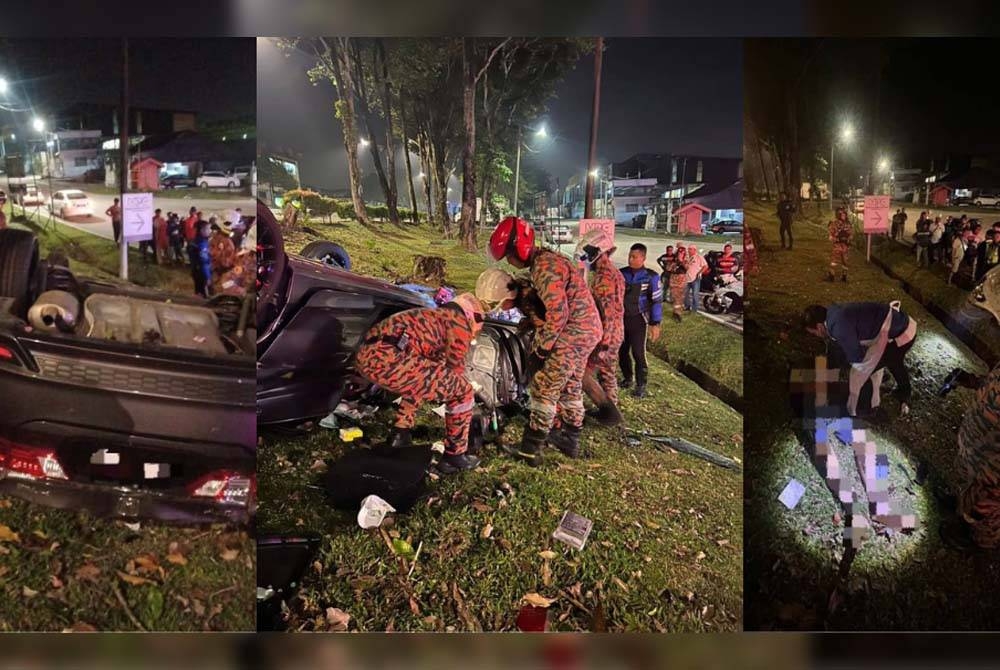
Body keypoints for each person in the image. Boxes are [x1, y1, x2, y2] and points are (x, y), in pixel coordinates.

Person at [488, 216, 603, 464]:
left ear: (519, 248)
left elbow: (558, 315)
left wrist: (541, 350)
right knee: (571, 385)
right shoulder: (547, 260)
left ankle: (530, 449)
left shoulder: (545, 268)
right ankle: (570, 440)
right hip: (587, 330)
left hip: (573, 332)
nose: (509, 260)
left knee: (544, 387)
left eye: (508, 254)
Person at [354, 293, 485, 474]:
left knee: (421, 379)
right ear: (472, 318)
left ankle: (401, 433)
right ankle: (454, 456)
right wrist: (470, 400)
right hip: (390, 360)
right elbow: (455, 373)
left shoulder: (431, 317)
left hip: (366, 357)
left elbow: (425, 378)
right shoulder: (458, 322)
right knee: (463, 392)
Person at [803, 301, 917, 417]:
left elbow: (857, 358)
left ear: (819, 326)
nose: (816, 335)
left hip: (901, 334)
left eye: (814, 333)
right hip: (904, 323)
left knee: (860, 373)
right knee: (893, 360)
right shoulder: (833, 313)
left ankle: (866, 409)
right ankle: (904, 391)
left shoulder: (838, 327)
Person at [576, 230, 625, 423]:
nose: (587, 259)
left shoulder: (603, 278)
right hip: (617, 332)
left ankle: (607, 411)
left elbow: (605, 311)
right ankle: (612, 410)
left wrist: (602, 339)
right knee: (607, 371)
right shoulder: (616, 273)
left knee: (582, 373)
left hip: (606, 332)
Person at [955, 364, 1000, 549]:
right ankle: (962, 508)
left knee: (986, 513)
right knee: (968, 487)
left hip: (992, 469)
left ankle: (976, 541)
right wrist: (973, 381)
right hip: (976, 448)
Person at [618, 243, 663, 399]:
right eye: (630, 256)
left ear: (643, 258)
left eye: (635, 257)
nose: (631, 259)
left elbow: (657, 301)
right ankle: (628, 378)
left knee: (638, 354)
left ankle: (641, 385)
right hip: (621, 320)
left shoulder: (651, 276)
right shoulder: (621, 273)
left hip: (640, 321)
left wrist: (655, 323)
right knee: (622, 352)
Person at [209, 220, 238, 295]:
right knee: (218, 282)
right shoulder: (226, 242)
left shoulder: (216, 239)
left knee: (218, 282)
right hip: (220, 265)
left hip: (220, 265)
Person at [827, 206, 853, 282]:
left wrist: (845, 239)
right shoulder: (845, 224)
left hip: (842, 246)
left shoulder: (837, 224)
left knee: (841, 261)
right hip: (841, 246)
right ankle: (835, 276)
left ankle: (841, 276)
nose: (844, 216)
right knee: (837, 261)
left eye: (844, 214)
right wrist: (840, 239)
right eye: (842, 215)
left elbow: (831, 237)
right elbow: (831, 236)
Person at [188, 223, 212, 298]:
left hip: (196, 270)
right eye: (208, 229)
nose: (210, 231)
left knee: (198, 294)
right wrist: (207, 277)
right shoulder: (202, 243)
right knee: (204, 298)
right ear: (202, 230)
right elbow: (203, 262)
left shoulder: (195, 241)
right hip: (201, 273)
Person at [684, 244, 707, 313]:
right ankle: (687, 306)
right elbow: (686, 267)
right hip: (687, 278)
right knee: (685, 294)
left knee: (695, 294)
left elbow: (705, 266)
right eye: (688, 249)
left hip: (695, 278)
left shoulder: (699, 257)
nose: (689, 250)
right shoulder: (687, 257)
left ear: (695, 250)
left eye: (690, 249)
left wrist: (699, 273)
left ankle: (694, 310)